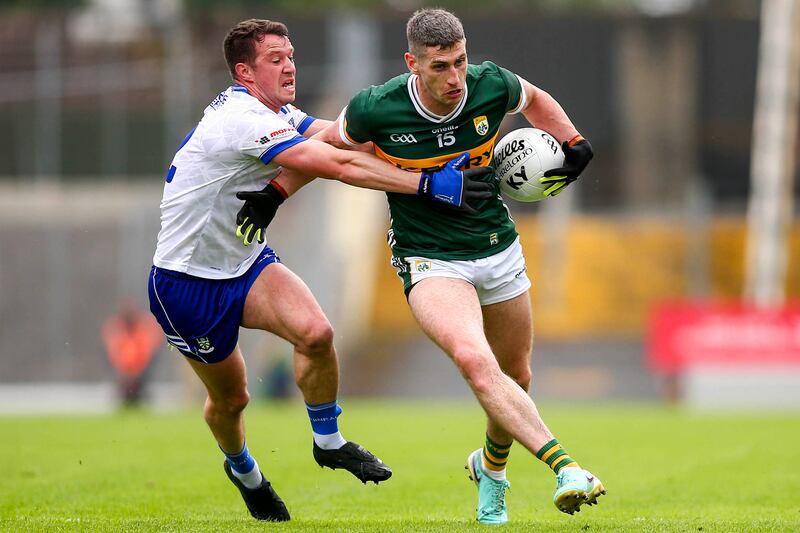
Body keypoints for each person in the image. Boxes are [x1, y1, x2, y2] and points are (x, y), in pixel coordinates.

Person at [237, 8, 605, 525]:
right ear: (413, 63)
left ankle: (490, 471)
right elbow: (327, 152)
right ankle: (565, 468)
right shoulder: (376, 108)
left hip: (496, 245)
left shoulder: (489, 83)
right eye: (439, 67)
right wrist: (275, 193)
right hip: (429, 258)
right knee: (476, 361)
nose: (455, 78)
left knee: (515, 374)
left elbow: (534, 99)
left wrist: (573, 142)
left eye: (460, 62)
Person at [147, 18, 492, 523]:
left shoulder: (277, 111)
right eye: (275, 59)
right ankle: (243, 470)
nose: (289, 65)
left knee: (315, 334)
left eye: (290, 55)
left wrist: (421, 148)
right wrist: (425, 186)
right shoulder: (244, 120)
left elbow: (340, 141)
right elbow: (337, 166)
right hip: (186, 283)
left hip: (244, 264)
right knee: (234, 398)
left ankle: (329, 443)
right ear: (244, 72)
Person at [102, 298, 163, 407]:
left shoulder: (144, 327)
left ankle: (137, 394)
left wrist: (136, 374)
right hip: (122, 371)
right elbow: (113, 353)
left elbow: (147, 351)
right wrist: (123, 373)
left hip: (141, 371)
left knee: (137, 386)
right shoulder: (115, 328)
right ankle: (126, 394)